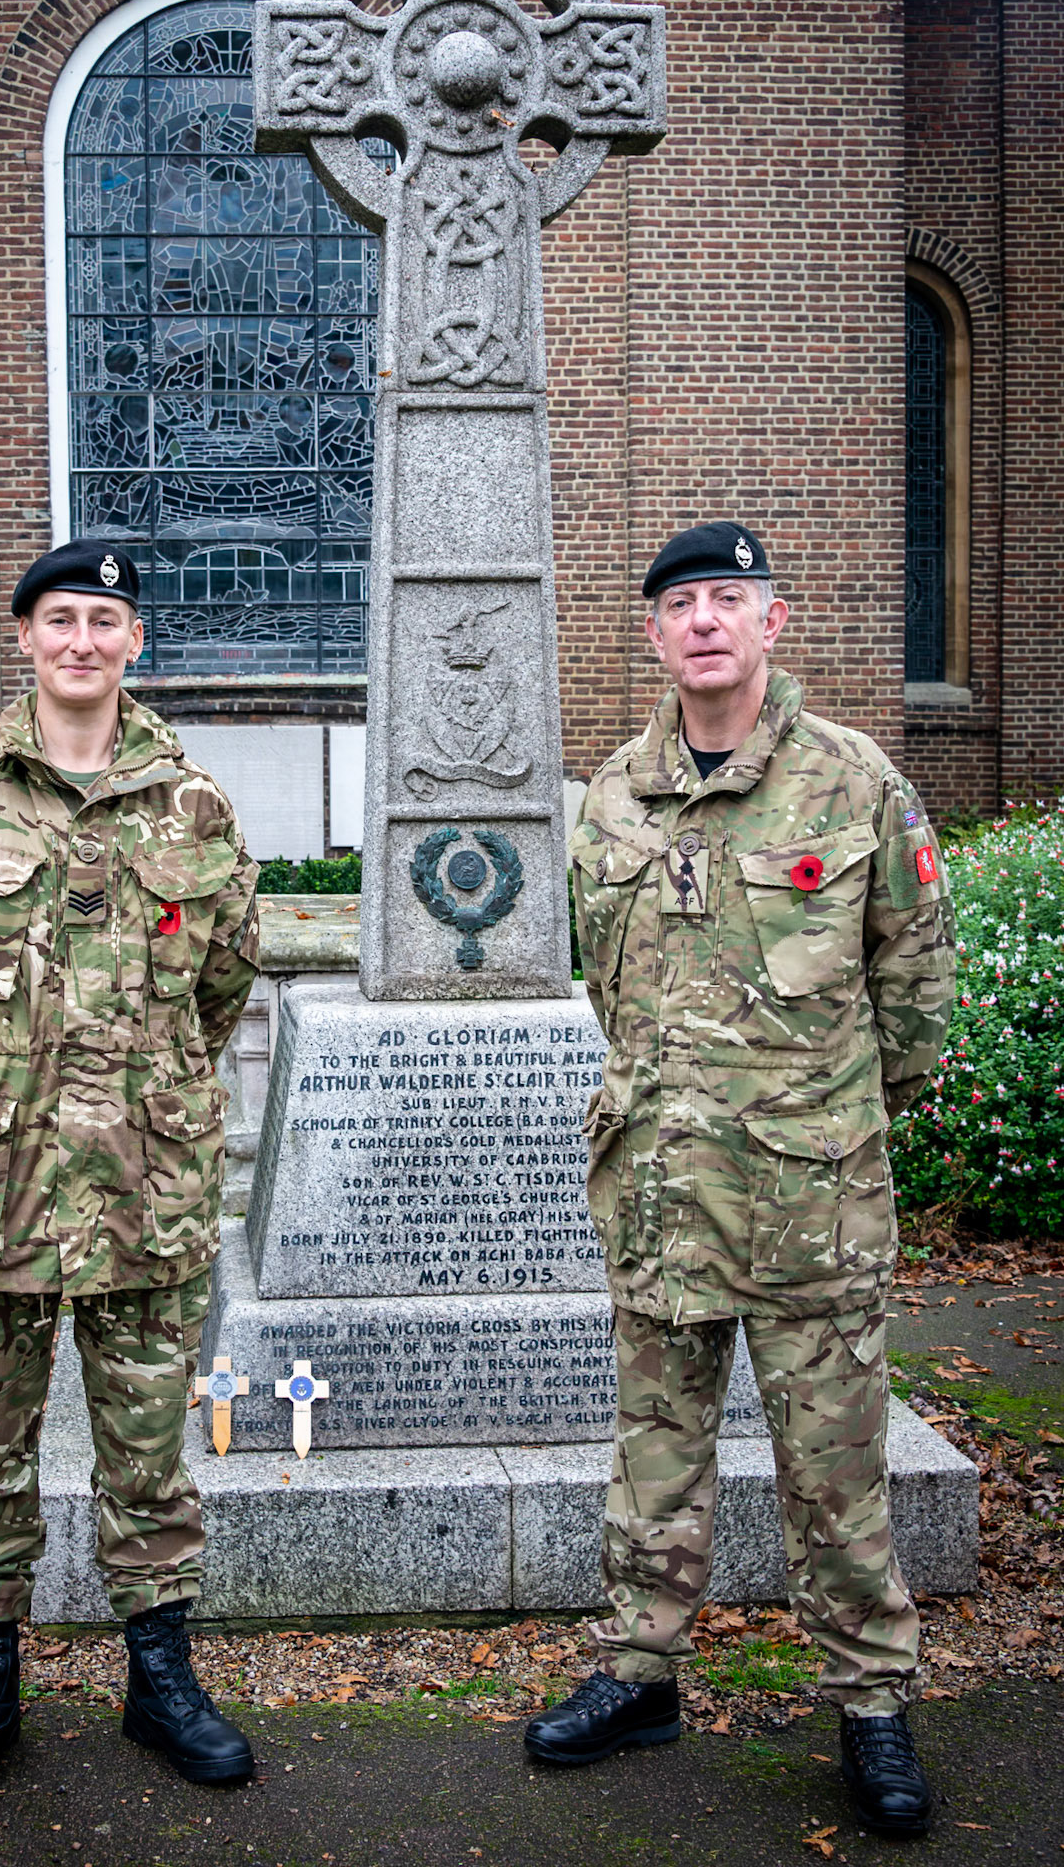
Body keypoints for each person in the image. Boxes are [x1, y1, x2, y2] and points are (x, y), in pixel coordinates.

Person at [525, 522, 956, 1839]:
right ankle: (640, 1671)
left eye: (728, 600)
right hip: (660, 1190)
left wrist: (823, 1122)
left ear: (773, 623)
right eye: (680, 605)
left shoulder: (852, 781)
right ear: (653, 636)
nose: (704, 622)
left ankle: (870, 1705)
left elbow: (914, 982)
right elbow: (610, 985)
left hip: (810, 1197)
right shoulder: (612, 794)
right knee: (653, 1452)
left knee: (833, 1468)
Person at [0, 540, 260, 1797]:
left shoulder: (195, 807)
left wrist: (132, 1096)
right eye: (59, 619)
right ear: (24, 638)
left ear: (135, 642)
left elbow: (219, 981)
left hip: (145, 1190)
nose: (82, 640)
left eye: (105, 619)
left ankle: (161, 1683)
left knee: (149, 1456)